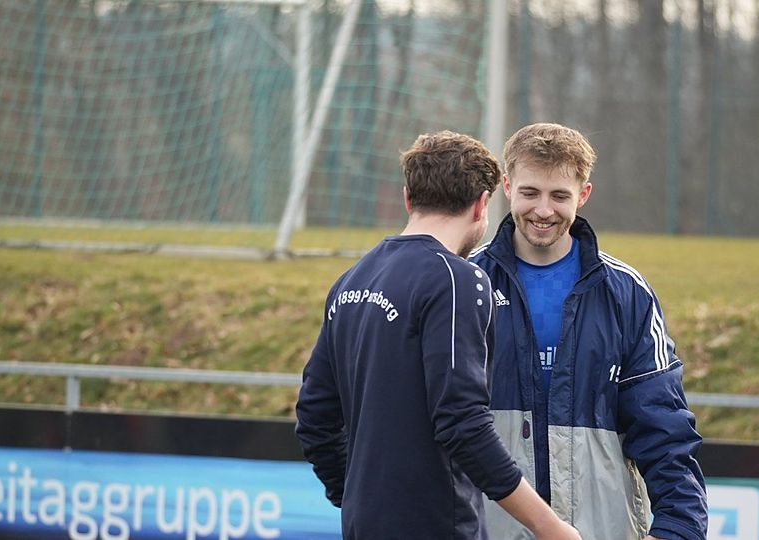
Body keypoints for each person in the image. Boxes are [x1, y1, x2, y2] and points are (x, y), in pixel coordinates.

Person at [295, 131, 582, 540]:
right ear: (482, 204)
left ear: (408, 198)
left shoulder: (352, 280)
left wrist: (358, 497)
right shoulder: (457, 279)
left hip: (364, 525)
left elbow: (314, 416)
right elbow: (463, 424)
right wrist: (548, 526)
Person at [469, 123, 708, 540]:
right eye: (530, 193)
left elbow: (663, 424)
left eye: (559, 196)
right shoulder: (466, 283)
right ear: (507, 186)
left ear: (583, 194)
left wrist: (679, 526)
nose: (544, 210)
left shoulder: (626, 292)